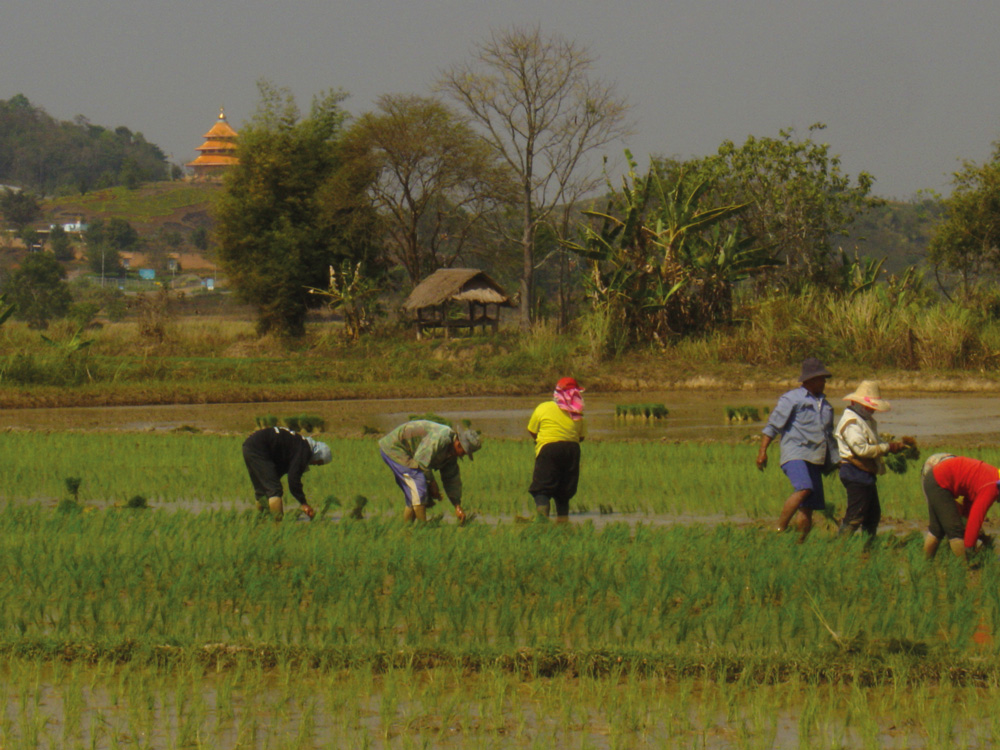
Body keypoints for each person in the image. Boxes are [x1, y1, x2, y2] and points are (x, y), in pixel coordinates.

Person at [756, 357, 838, 541]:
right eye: (821, 378)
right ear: (809, 380)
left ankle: (800, 544)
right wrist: (763, 451)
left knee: (807, 507)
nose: (824, 382)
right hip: (796, 453)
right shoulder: (792, 399)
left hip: (815, 458)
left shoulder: (826, 406)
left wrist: (836, 460)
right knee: (804, 488)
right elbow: (773, 426)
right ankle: (779, 528)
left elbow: (829, 437)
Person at [835, 380, 904, 539]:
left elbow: (875, 442)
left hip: (864, 473)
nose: (873, 410)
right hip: (854, 472)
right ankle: (840, 549)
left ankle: (869, 549)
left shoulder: (865, 420)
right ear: (857, 403)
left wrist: (893, 447)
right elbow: (861, 449)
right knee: (855, 515)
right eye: (870, 407)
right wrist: (888, 448)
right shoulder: (851, 422)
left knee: (872, 516)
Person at [378, 419, 481, 522]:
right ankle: (423, 529)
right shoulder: (441, 438)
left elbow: (451, 478)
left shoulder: (451, 455)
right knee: (419, 485)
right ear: (459, 445)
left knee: (415, 496)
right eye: (464, 452)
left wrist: (457, 505)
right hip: (395, 448)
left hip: (410, 454)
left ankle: (408, 530)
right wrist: (432, 483)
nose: (462, 455)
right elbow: (421, 461)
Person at [527, 376, 586, 523]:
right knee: (564, 493)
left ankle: (542, 523)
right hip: (572, 450)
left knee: (542, 490)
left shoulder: (543, 407)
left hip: (549, 449)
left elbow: (532, 430)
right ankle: (563, 525)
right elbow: (581, 437)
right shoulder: (578, 414)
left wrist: (541, 442)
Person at [242, 426, 332, 520]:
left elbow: (278, 470)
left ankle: (262, 522)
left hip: (249, 446)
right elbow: (293, 480)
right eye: (319, 463)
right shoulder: (305, 451)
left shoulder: (299, 443)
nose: (315, 464)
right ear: (318, 455)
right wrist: (304, 503)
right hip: (259, 448)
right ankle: (277, 526)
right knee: (274, 490)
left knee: (262, 490)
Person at [921, 453, 999, 560]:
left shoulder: (992, 475)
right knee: (955, 530)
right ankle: (964, 569)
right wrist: (970, 549)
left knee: (937, 529)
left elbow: (969, 507)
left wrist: (976, 535)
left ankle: (925, 564)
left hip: (933, 479)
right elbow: (975, 519)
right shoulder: (991, 487)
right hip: (939, 483)